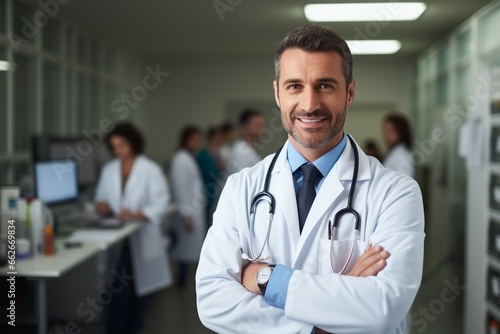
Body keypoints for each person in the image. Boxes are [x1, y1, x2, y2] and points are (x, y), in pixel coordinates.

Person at [196, 25, 425, 334]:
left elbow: (382, 307)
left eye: (325, 85)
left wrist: (266, 279)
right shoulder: (242, 189)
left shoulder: (396, 193)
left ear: (350, 92)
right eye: (294, 86)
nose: (309, 104)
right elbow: (212, 301)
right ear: (277, 93)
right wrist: (323, 322)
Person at [94, 122, 172, 334]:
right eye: (114, 146)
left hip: (141, 236)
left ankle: (134, 328)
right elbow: (100, 198)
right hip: (118, 239)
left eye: (122, 145)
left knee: (140, 292)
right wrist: (102, 205)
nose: (118, 150)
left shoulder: (150, 169)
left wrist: (137, 214)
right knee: (116, 292)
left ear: (133, 143)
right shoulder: (109, 169)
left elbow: (161, 202)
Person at [170, 126, 206, 287]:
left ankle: (184, 279)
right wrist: (186, 215)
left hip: (193, 210)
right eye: (194, 140)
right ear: (185, 139)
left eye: (198, 140)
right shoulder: (181, 159)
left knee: (188, 250)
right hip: (188, 213)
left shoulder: (188, 157)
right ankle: (181, 281)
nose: (196, 143)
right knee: (184, 251)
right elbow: (180, 188)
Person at [196, 127, 223, 227]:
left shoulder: (216, 153)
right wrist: (220, 167)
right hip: (205, 192)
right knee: (207, 222)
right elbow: (212, 173)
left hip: (213, 192)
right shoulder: (203, 155)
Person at [226, 110, 265, 174]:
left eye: (262, 125)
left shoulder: (247, 149)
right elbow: (240, 181)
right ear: (245, 127)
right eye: (257, 125)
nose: (262, 129)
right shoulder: (240, 152)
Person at [383, 114, 415, 178]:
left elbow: (405, 184)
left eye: (391, 131)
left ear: (401, 131)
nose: (387, 135)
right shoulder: (395, 153)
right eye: (386, 131)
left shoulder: (402, 156)